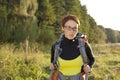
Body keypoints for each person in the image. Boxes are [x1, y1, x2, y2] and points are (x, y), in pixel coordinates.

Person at [50, 15, 95, 80]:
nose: (72, 31)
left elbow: (92, 59)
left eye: (75, 28)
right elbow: (52, 62)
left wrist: (89, 66)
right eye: (68, 27)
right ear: (63, 28)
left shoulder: (84, 45)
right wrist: (52, 65)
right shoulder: (56, 46)